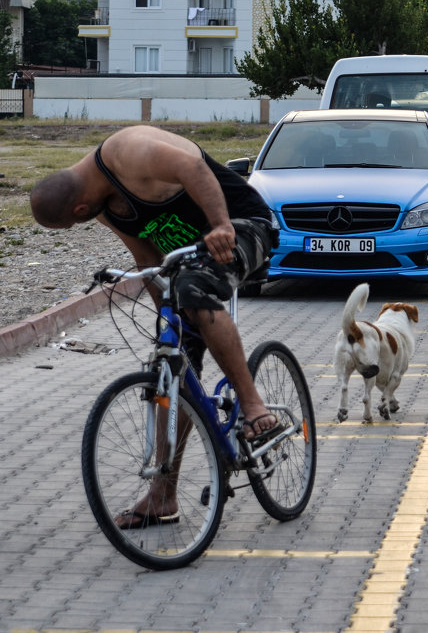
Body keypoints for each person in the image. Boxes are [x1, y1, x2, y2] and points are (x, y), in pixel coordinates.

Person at [30, 125, 279, 528]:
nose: (81, 224)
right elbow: (147, 258)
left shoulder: (127, 152)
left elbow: (193, 167)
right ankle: (163, 496)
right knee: (172, 367)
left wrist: (220, 224)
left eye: (74, 225)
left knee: (194, 287)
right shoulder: (106, 208)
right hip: (189, 258)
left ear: (78, 210)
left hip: (243, 226)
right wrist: (168, 317)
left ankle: (252, 404)